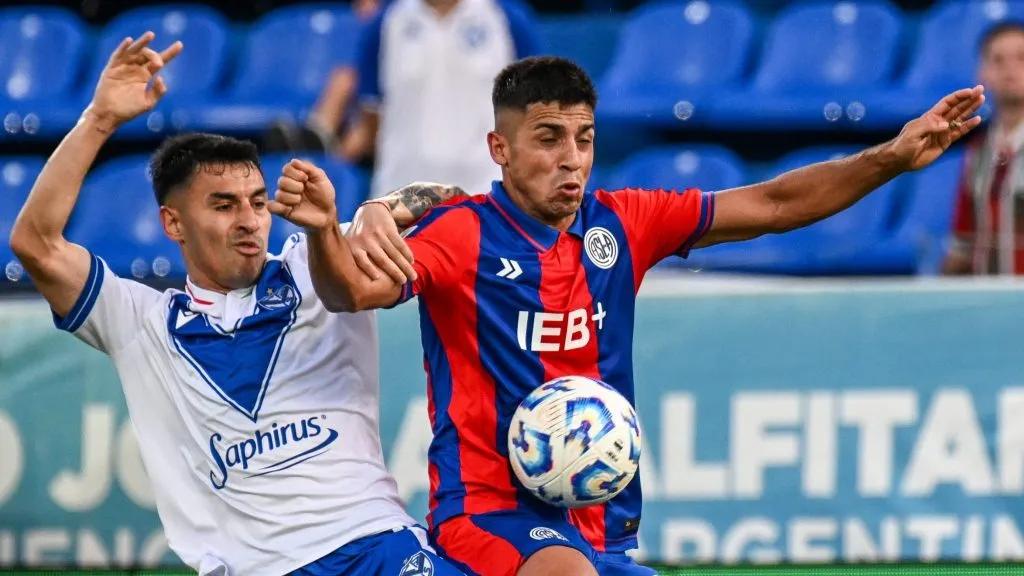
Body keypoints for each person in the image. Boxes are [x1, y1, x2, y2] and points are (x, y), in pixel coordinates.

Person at [267, 57, 985, 576]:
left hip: (594, 522)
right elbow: (348, 293)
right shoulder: (460, 235)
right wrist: (327, 233)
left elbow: (771, 205)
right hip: (485, 515)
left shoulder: (625, 223)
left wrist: (890, 157)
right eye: (548, 138)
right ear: (501, 149)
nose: (571, 159)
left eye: (582, 138)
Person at [8, 32, 467, 576]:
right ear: (172, 223)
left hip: (377, 546)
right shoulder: (142, 323)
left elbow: (452, 199)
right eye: (224, 206)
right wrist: (100, 121)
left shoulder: (317, 260)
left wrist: (374, 208)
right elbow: (36, 244)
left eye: (256, 203)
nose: (249, 221)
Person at [944, 20, 1024, 275]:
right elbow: (962, 243)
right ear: (982, 73)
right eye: (998, 60)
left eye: (1022, 58)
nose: (1010, 69)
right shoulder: (977, 151)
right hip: (988, 302)